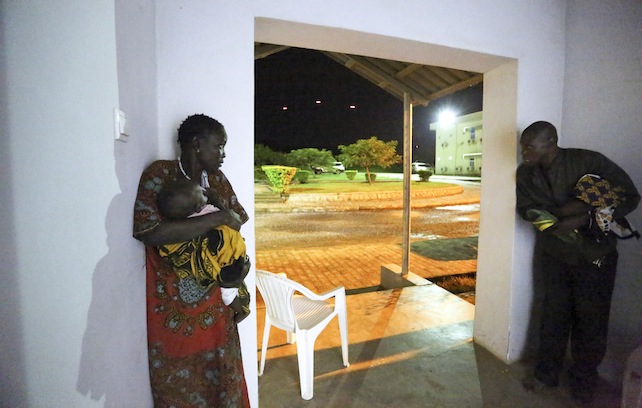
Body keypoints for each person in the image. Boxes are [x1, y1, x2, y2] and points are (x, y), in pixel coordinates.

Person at [516, 121, 640, 404]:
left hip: (595, 255)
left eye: (529, 146)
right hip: (554, 254)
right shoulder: (526, 174)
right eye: (523, 146)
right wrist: (555, 223)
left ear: (551, 142)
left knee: (591, 321)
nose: (523, 152)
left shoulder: (587, 161)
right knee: (552, 316)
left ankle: (584, 383)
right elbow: (525, 209)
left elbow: (630, 196)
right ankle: (546, 375)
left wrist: (585, 216)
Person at [133, 114, 250, 407]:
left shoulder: (217, 181)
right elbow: (148, 231)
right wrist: (216, 218)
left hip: (218, 303)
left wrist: (220, 215)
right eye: (219, 146)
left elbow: (236, 222)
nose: (223, 154)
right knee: (178, 388)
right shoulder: (161, 174)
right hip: (175, 311)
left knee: (225, 379)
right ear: (196, 143)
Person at [156, 178, 250, 323]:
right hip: (225, 262)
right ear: (198, 206)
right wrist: (216, 201)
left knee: (233, 288)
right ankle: (241, 310)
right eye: (203, 194)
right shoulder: (205, 214)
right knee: (229, 291)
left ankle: (239, 306)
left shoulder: (189, 219)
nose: (206, 195)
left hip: (227, 256)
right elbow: (232, 222)